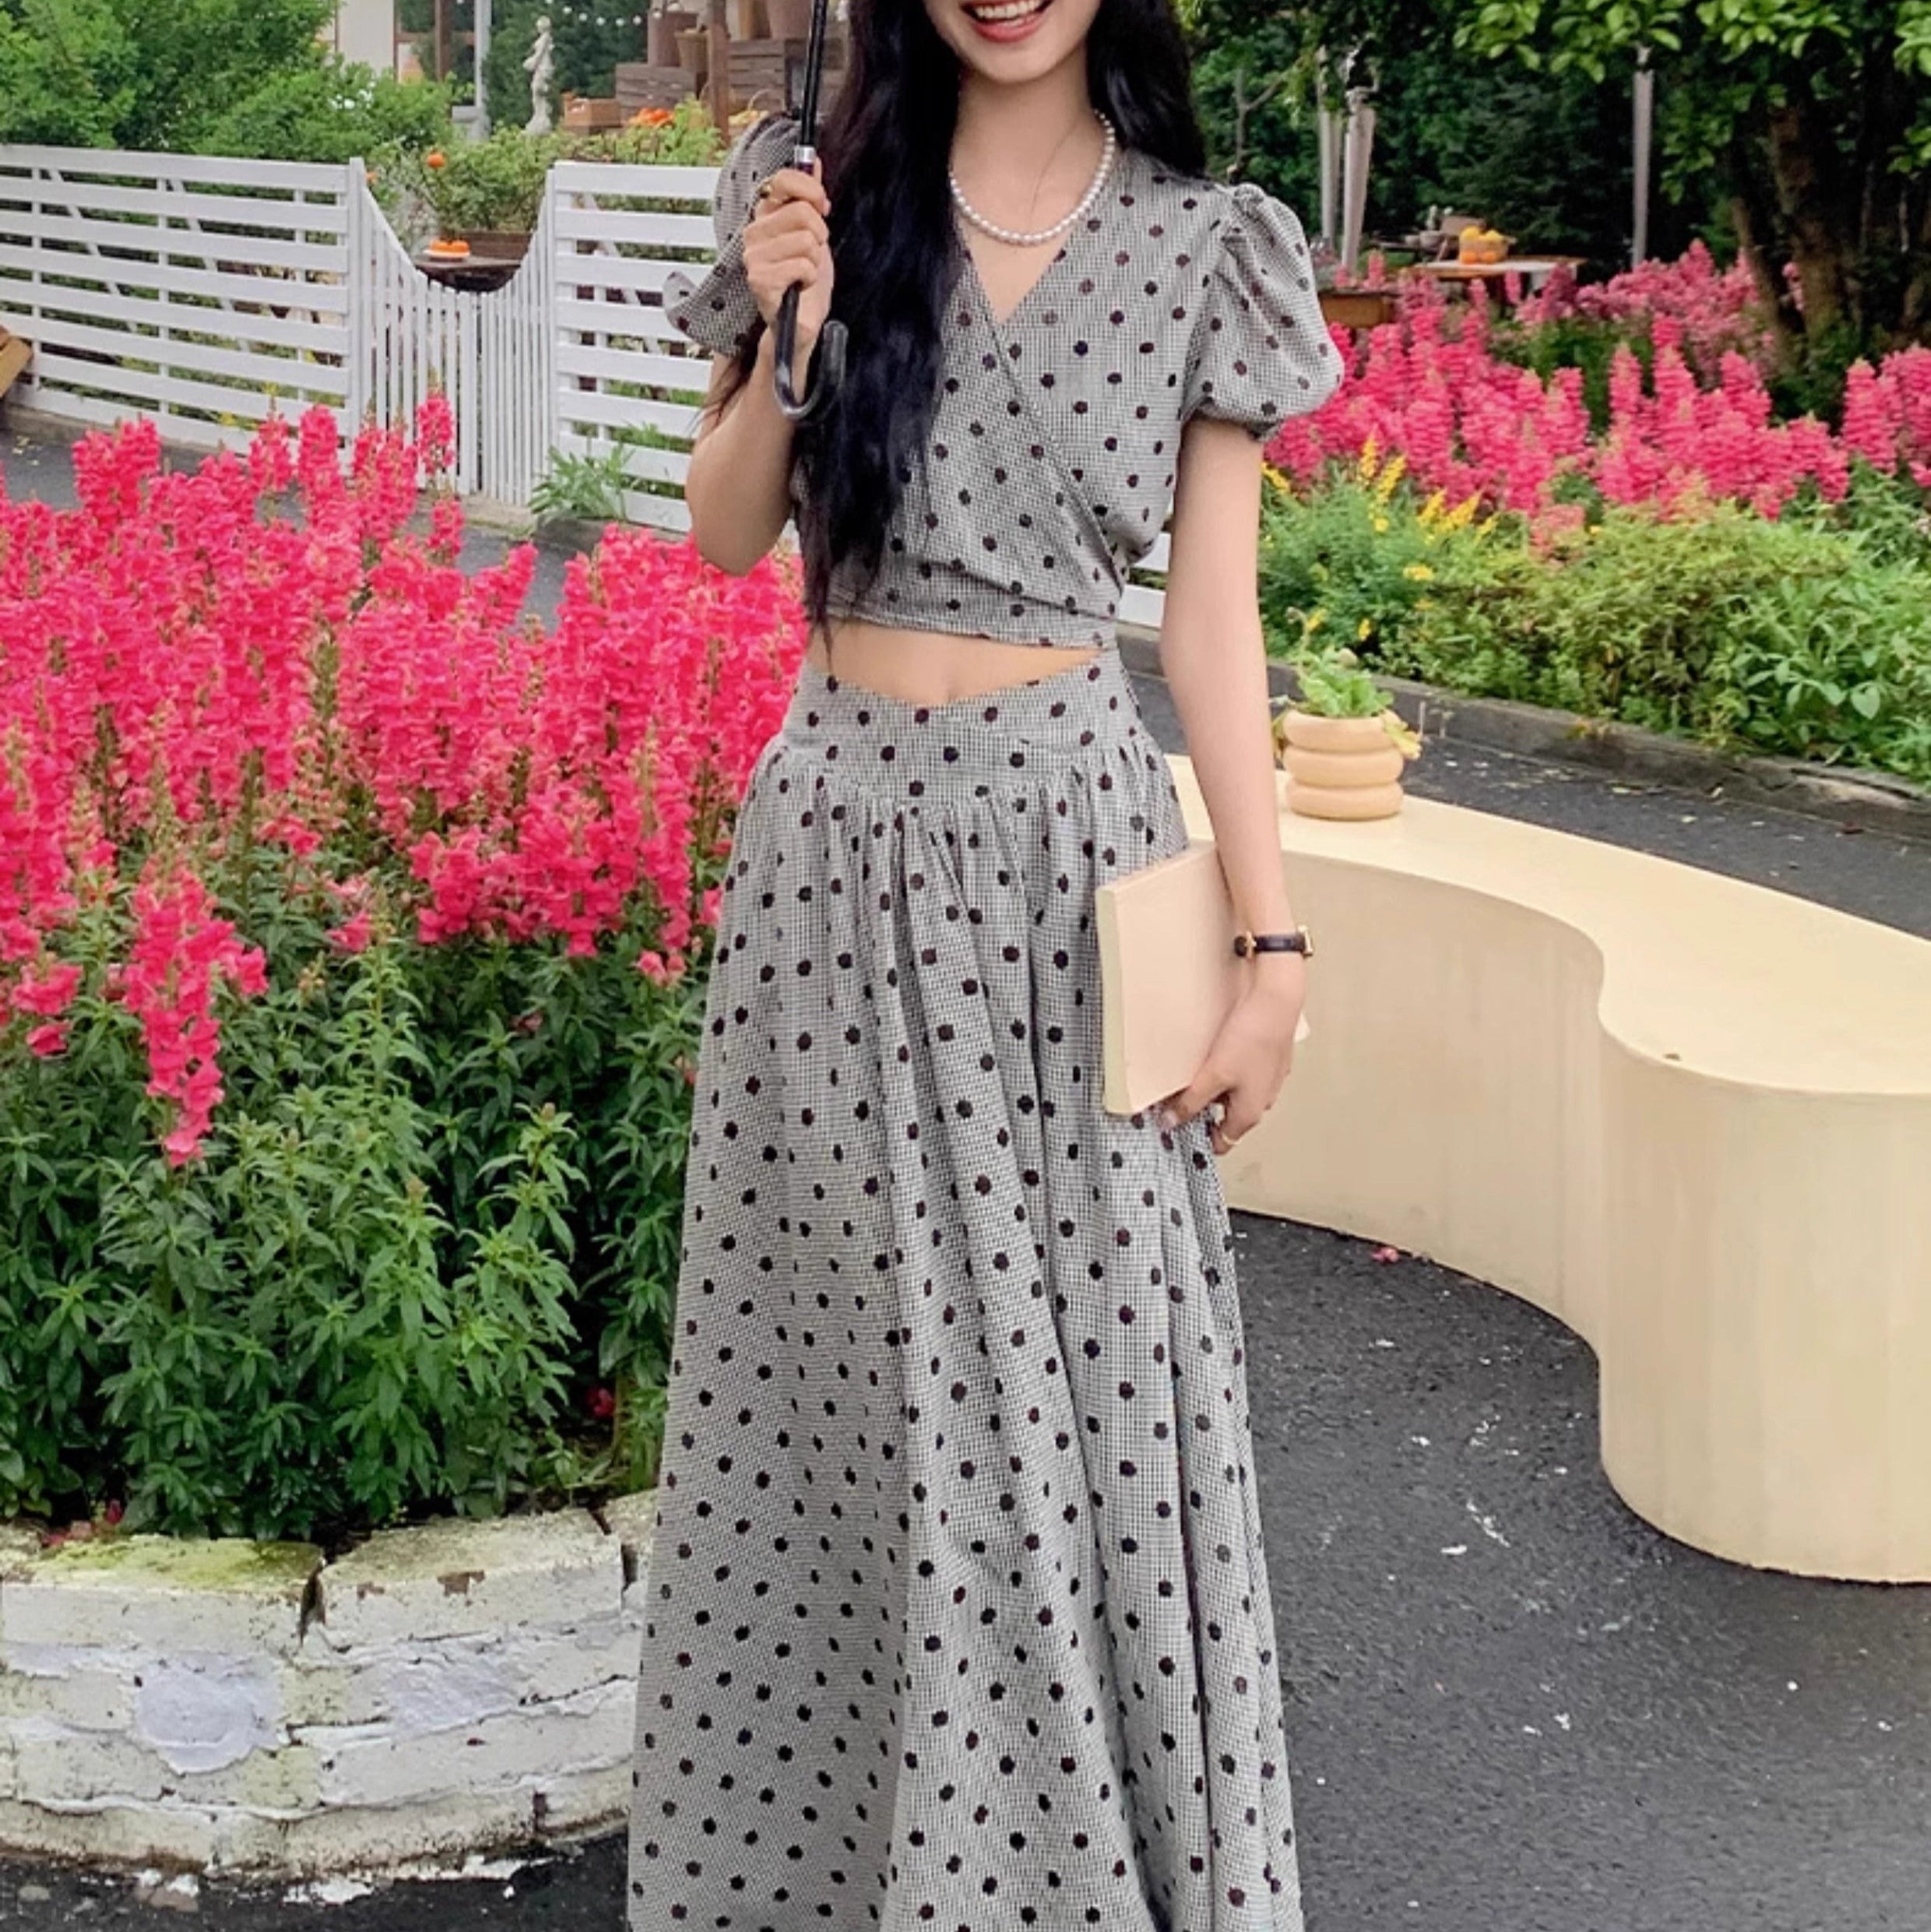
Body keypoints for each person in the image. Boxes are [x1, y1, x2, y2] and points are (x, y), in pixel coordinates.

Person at [627, 0, 1343, 1922]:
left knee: (1072, 1399)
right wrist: (787, 336)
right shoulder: (815, 194)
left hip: (1065, 876)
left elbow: (1209, 624)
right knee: (840, 1397)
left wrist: (1271, 943)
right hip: (832, 867)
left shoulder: (1208, 241)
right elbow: (722, 536)